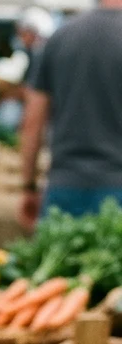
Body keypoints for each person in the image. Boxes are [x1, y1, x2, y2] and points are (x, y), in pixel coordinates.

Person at [18, 0, 122, 228]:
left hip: (64, 185)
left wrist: (28, 186)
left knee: (58, 261)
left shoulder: (61, 36)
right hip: (117, 184)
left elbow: (33, 122)